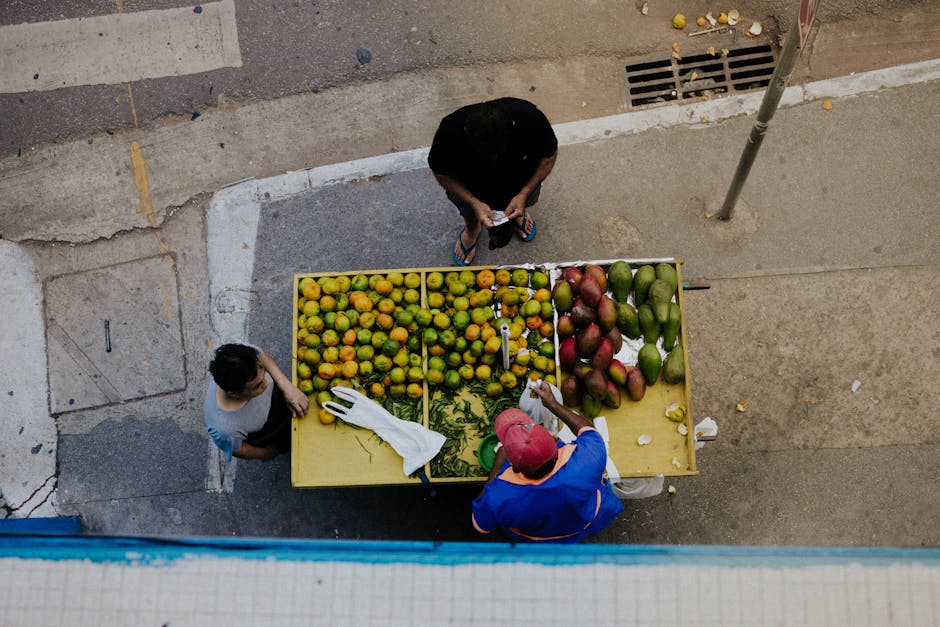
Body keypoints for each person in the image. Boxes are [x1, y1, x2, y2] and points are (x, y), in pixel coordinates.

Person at [471, 382, 623, 543]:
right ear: (554, 442)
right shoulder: (586, 459)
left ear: (514, 466)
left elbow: (480, 524)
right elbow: (588, 430)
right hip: (586, 519)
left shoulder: (500, 497)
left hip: (541, 537)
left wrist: (497, 467)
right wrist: (553, 404)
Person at [428, 97, 558, 266]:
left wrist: (524, 193)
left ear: (513, 124)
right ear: (466, 131)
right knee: (469, 212)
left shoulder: (530, 118)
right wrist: (474, 202)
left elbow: (549, 157)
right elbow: (442, 173)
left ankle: (518, 214)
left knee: (524, 202)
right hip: (471, 187)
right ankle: (472, 229)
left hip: (520, 181)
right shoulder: (450, 131)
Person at [204, 343, 309, 461]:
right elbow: (239, 449)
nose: (266, 383)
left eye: (263, 371)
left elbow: (261, 355)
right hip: (269, 430)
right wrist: (266, 453)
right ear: (234, 394)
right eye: (257, 386)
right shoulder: (224, 429)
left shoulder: (236, 356)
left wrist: (286, 387)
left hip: (278, 398)